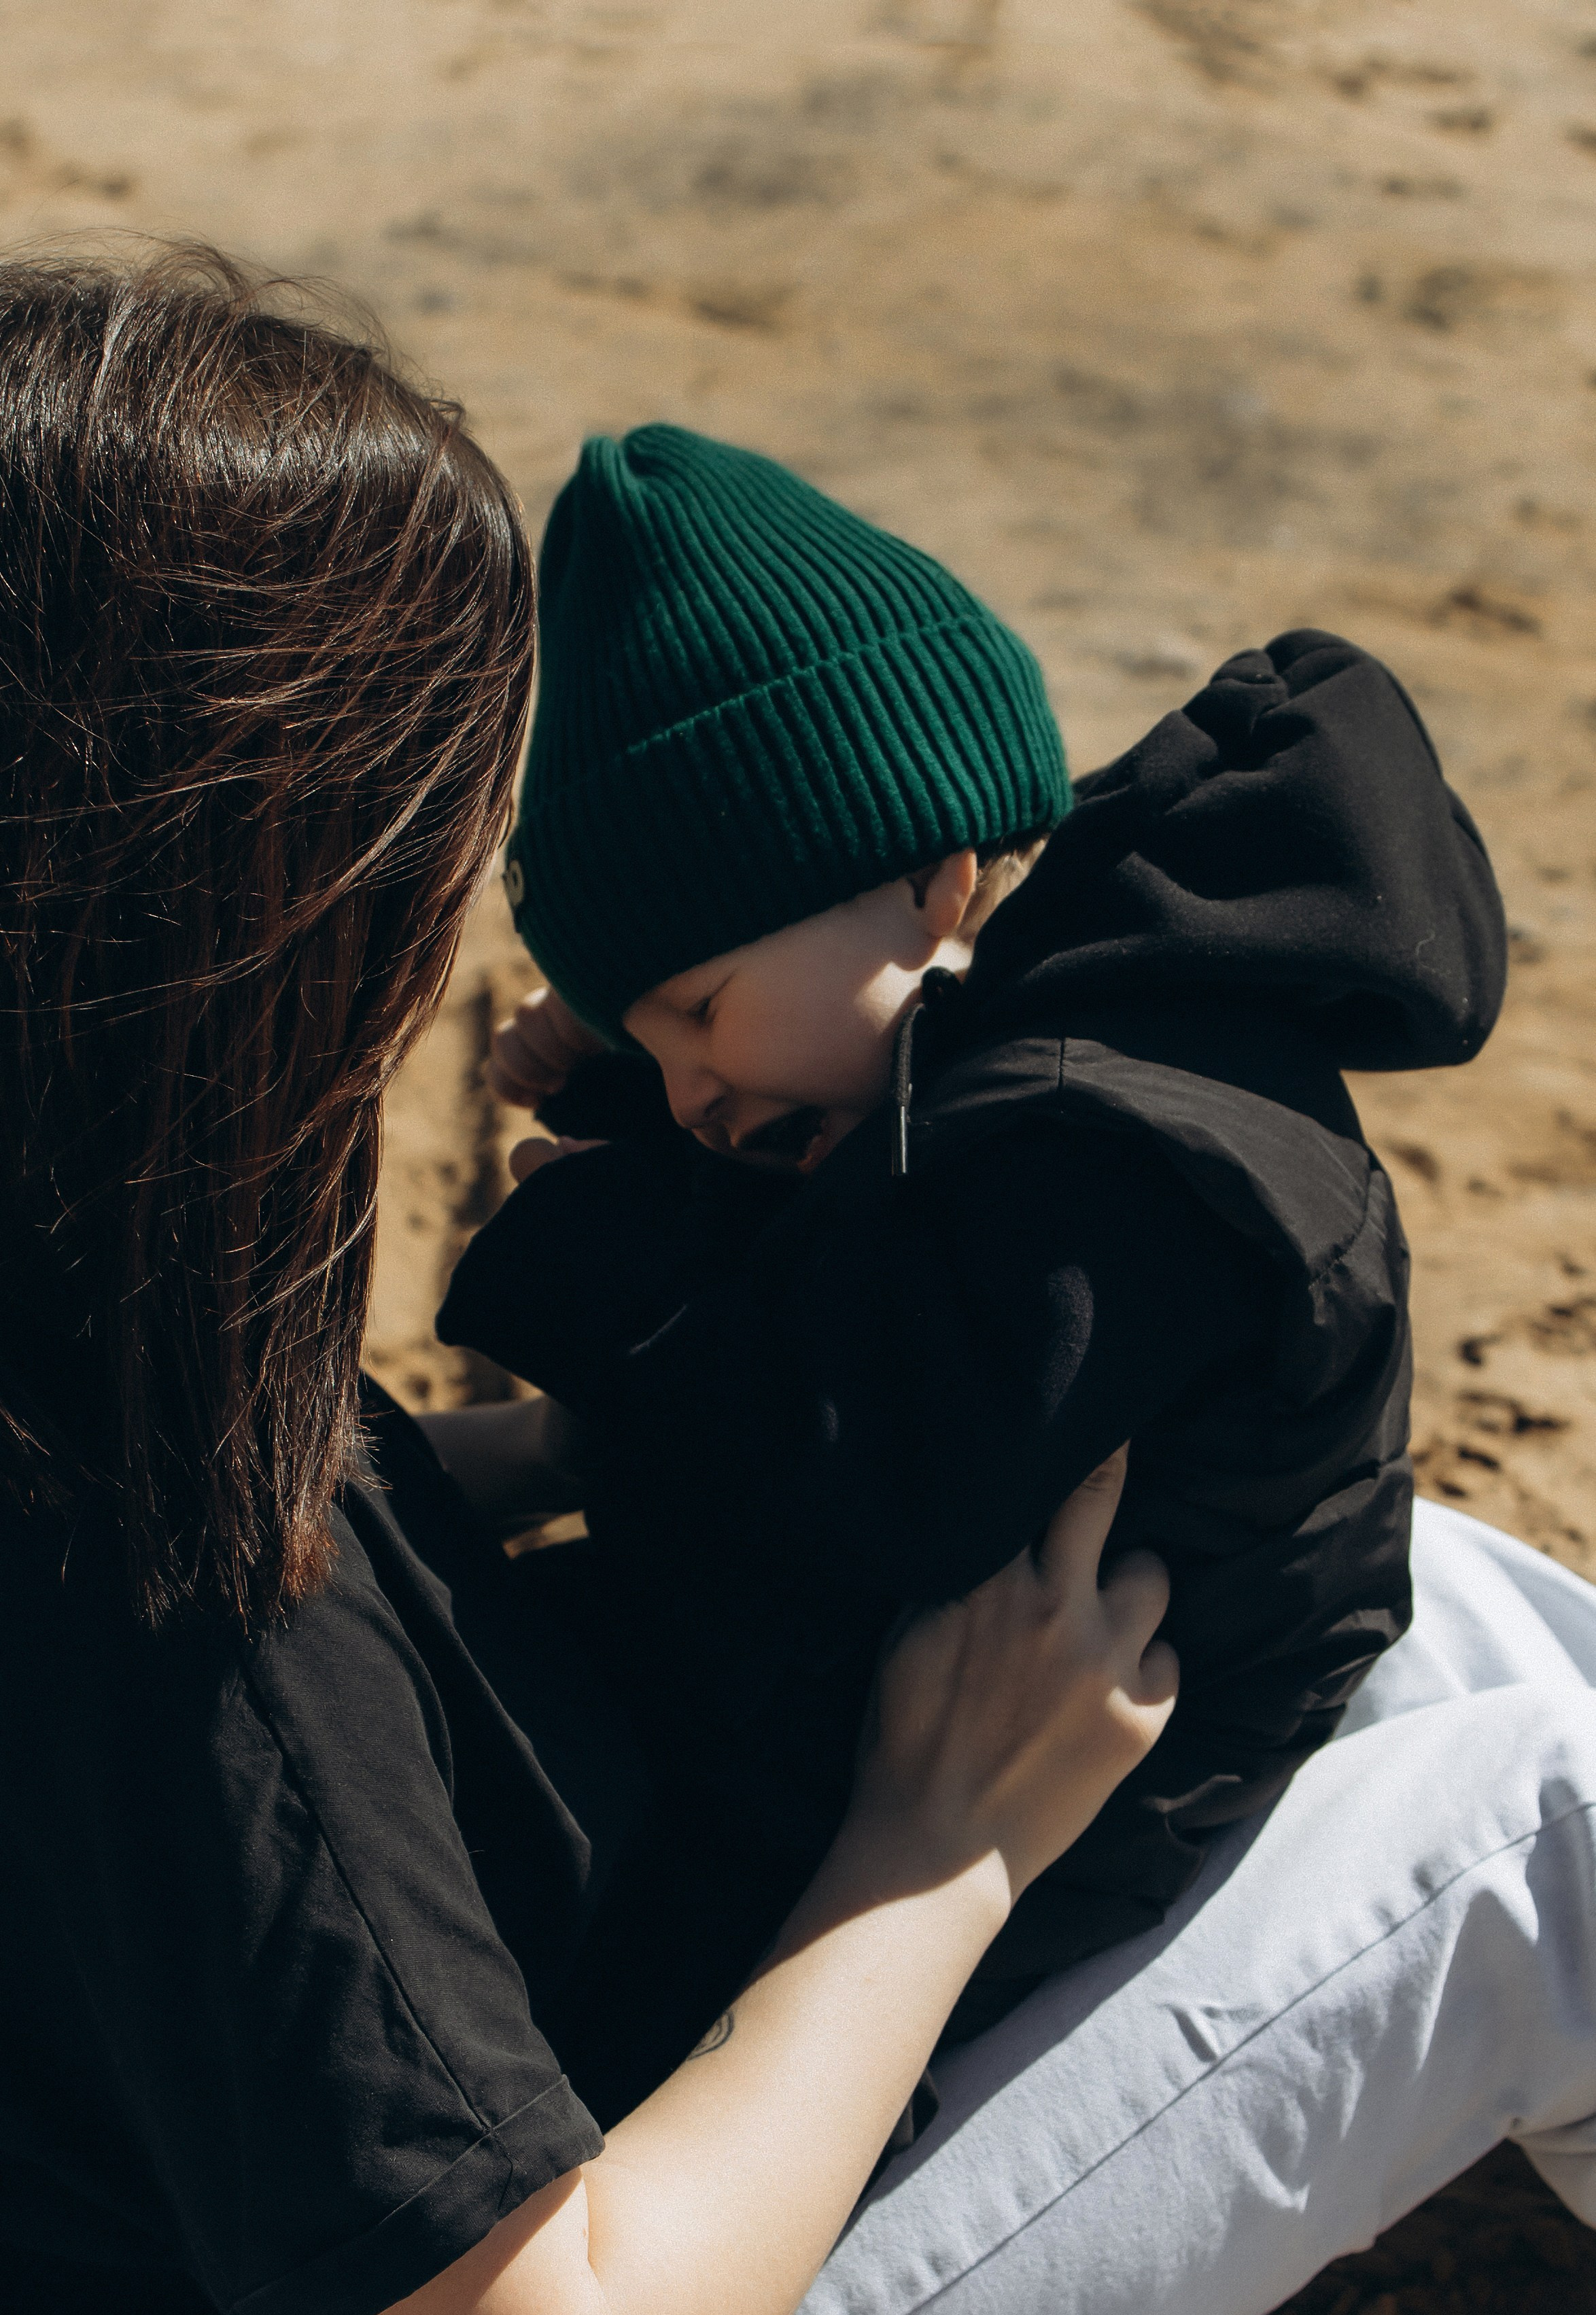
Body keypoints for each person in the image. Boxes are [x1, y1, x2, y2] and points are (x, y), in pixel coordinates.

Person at [2, 247, 1592, 2315]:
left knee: (1444, 1610)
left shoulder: (76, 1321)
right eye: (433, 843)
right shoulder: (161, 1582)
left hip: (546, 2074)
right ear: (257, 895)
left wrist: (542, 1448)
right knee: (1555, 1827)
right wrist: (936, 1859)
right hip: (664, 2287)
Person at [440, 422, 1508, 2036]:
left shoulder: (1105, 1154)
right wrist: (627, 1071)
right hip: (919, 1674)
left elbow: (841, 1471)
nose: (688, 1088)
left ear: (932, 889)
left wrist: (612, 1232)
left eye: (699, 1010)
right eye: (647, 1035)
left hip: (1105, 1797)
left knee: (597, 1939)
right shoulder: (972, 1043)